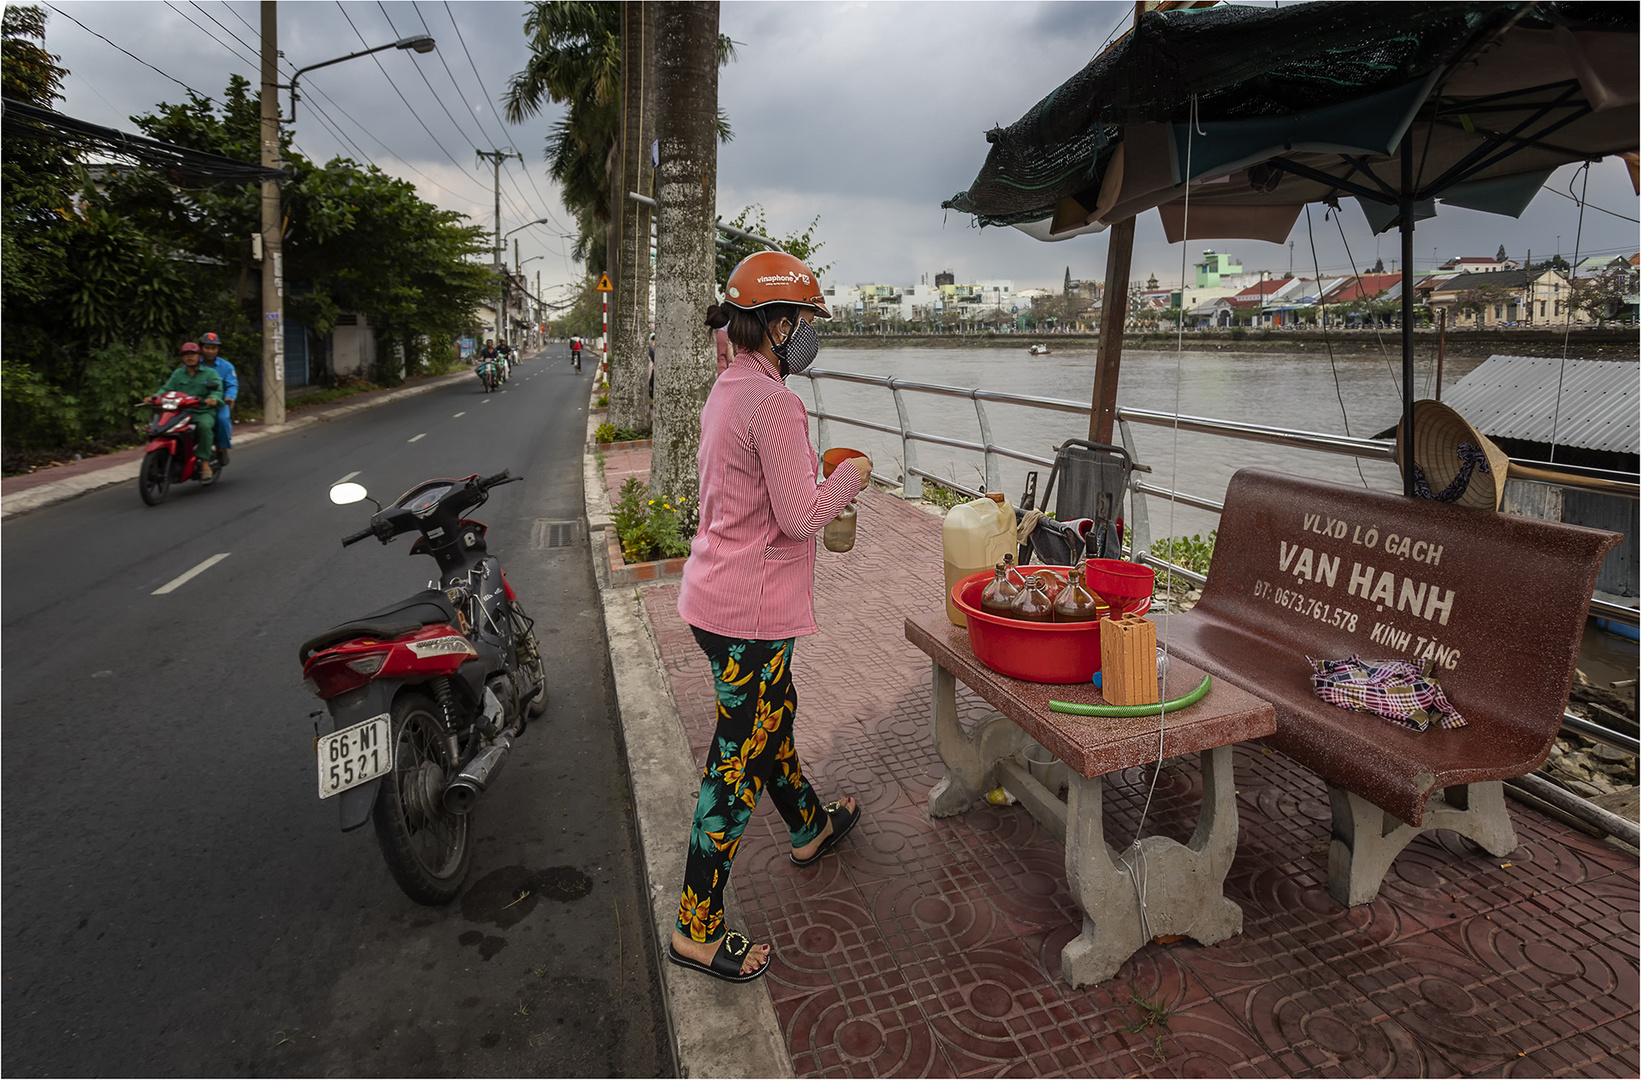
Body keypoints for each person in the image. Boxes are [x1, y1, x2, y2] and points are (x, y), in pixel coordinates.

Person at [667, 251, 873, 983]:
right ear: (779, 324)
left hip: (714, 598)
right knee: (735, 760)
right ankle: (696, 925)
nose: (810, 336)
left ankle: (809, 826)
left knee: (770, 715)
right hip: (749, 613)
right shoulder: (774, 401)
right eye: (805, 322)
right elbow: (799, 516)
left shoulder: (728, 387)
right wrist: (852, 475)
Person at [154, 342, 223, 481]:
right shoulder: (178, 374)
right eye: (186, 355)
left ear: (199, 356)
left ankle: (204, 463)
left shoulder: (210, 373)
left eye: (193, 354)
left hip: (202, 411)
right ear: (182, 358)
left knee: (204, 426)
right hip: (180, 412)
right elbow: (166, 389)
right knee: (159, 427)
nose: (190, 357)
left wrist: (212, 399)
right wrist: (155, 397)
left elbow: (217, 390)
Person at [198, 332, 236, 465]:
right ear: (201, 348)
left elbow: (232, 385)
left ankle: (222, 449)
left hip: (218, 403)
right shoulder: (192, 364)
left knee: (223, 419)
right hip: (195, 403)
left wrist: (229, 398)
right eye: (207, 347)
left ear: (218, 350)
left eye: (213, 348)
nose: (210, 351)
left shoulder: (226, 367)